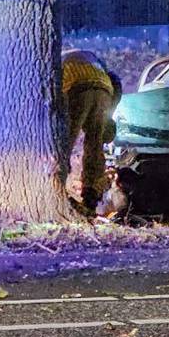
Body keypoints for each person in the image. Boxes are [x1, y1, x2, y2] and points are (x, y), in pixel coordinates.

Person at [62, 49, 119, 215]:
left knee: (65, 141)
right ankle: (91, 195)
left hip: (76, 87)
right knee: (95, 142)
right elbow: (116, 81)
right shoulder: (93, 59)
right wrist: (109, 116)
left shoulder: (60, 62)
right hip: (104, 90)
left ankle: (57, 185)